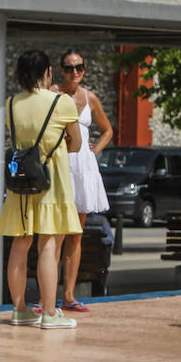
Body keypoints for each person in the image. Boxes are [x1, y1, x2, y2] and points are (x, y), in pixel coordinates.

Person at [0, 49, 82, 330]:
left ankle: (20, 309)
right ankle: (48, 312)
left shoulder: (11, 104)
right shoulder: (62, 102)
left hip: (21, 180)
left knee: (20, 244)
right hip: (52, 181)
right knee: (50, 244)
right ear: (48, 72)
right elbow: (77, 143)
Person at [48, 49, 112, 315]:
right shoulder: (52, 92)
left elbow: (107, 129)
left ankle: (69, 295)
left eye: (80, 67)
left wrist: (95, 150)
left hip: (83, 166)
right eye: (69, 67)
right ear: (61, 70)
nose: (75, 72)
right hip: (61, 163)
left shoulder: (90, 97)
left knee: (76, 235)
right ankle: (48, 296)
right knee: (55, 234)